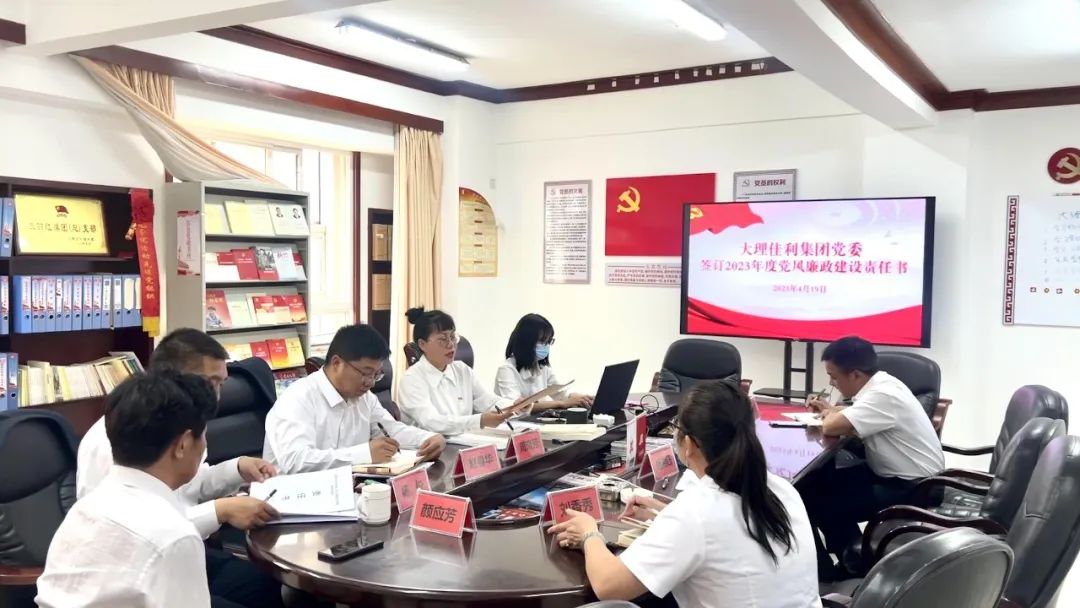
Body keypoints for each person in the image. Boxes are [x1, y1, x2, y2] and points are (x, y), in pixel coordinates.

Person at [548, 381, 821, 608]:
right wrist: (665, 513)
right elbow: (727, 532)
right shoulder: (780, 488)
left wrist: (589, 534)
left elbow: (609, 586)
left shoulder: (695, 512)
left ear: (688, 444)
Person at [76, 328, 283, 608]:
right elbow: (141, 533)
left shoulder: (182, 423)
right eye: (209, 383)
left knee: (264, 582)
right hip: (128, 573)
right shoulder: (116, 439)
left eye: (221, 384)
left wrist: (236, 468)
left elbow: (191, 485)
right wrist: (221, 510)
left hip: (169, 552)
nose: (216, 396)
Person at [37, 371, 228, 607]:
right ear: (183, 445)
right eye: (204, 436)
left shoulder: (84, 509)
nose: (205, 444)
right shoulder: (174, 537)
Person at [800, 336, 945, 580]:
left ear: (855, 374)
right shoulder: (883, 384)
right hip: (894, 474)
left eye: (834, 377)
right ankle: (850, 560)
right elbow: (848, 415)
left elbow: (832, 426)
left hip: (914, 486)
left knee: (817, 501)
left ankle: (837, 570)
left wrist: (830, 415)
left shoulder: (883, 395)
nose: (832, 383)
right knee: (815, 484)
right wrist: (831, 411)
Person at [264, 323, 446, 473]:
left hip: (347, 491)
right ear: (337, 363)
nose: (371, 382)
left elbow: (392, 430)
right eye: (365, 373)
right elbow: (294, 461)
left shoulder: (364, 398)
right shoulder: (297, 398)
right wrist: (364, 454)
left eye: (376, 374)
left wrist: (429, 438)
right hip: (291, 498)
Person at [398, 307, 520, 434]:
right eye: (443, 339)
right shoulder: (411, 379)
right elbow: (432, 422)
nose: (451, 344)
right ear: (422, 344)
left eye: (452, 337)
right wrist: (480, 420)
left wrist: (515, 406)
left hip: (465, 441)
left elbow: (488, 401)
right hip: (430, 444)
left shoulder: (462, 370)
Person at [494, 313, 593, 411]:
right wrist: (562, 404)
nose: (546, 346)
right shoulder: (506, 369)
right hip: (512, 421)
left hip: (533, 419)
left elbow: (560, 392)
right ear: (525, 341)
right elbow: (516, 407)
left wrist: (582, 398)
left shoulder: (542, 367)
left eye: (548, 341)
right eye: (542, 341)